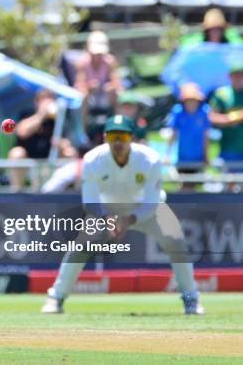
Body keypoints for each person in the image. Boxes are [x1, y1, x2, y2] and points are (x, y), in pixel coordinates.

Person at [41, 115, 204, 315]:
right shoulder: (92, 159)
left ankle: (191, 299)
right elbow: (90, 202)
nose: (118, 142)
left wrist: (129, 220)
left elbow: (152, 202)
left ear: (132, 138)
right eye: (113, 137)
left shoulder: (150, 159)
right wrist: (107, 218)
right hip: (106, 209)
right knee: (80, 245)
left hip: (148, 208)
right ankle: (56, 298)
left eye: (123, 137)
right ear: (105, 138)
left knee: (176, 241)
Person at [7, 90, 77, 191]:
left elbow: (67, 142)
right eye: (43, 99)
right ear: (37, 102)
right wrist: (42, 115)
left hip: (51, 159)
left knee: (70, 153)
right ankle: (17, 191)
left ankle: (71, 190)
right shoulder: (27, 114)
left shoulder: (59, 119)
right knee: (16, 153)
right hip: (29, 157)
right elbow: (22, 132)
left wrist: (61, 144)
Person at [75, 31, 123, 144]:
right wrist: (89, 87)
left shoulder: (110, 62)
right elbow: (79, 85)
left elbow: (117, 83)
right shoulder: (82, 63)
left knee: (115, 94)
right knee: (83, 96)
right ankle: (83, 133)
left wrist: (110, 87)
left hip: (105, 97)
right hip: (89, 98)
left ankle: (119, 128)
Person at [167, 83, 211, 174]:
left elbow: (206, 135)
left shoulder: (204, 112)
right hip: (183, 156)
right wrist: (168, 154)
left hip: (198, 156)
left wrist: (206, 156)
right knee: (184, 183)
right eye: (188, 100)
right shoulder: (178, 112)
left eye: (193, 100)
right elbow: (173, 133)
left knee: (196, 183)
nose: (191, 103)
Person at [209, 61, 243, 168]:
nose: (238, 78)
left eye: (241, 75)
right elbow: (211, 117)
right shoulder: (222, 94)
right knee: (230, 181)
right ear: (230, 76)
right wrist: (232, 119)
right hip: (228, 148)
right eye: (235, 75)